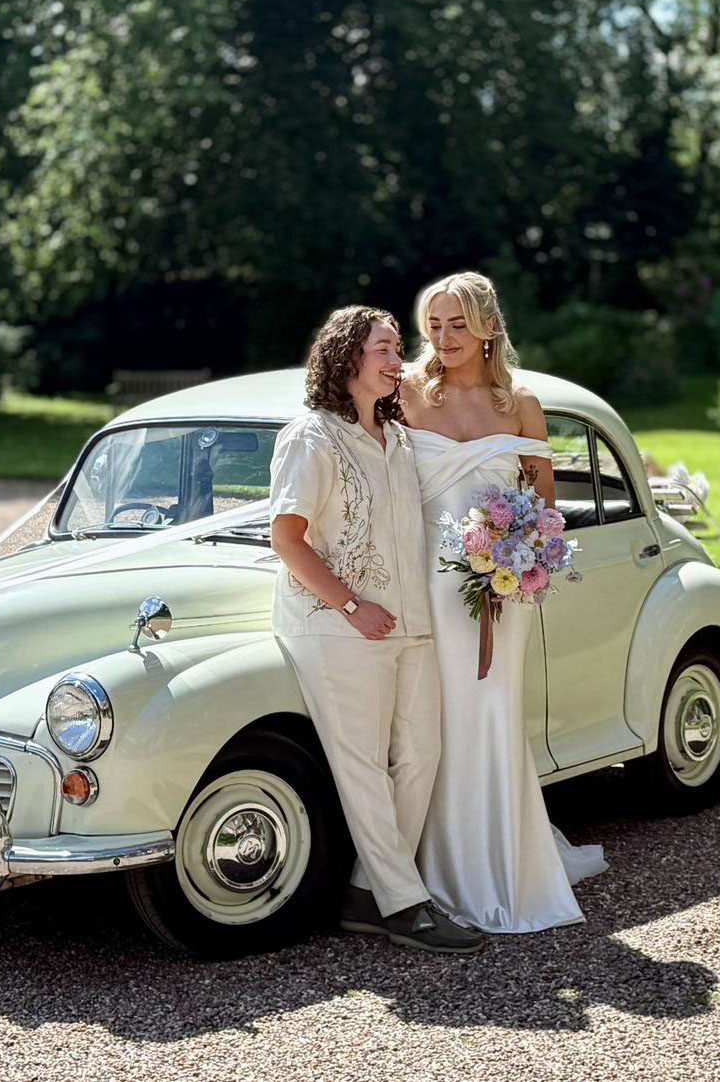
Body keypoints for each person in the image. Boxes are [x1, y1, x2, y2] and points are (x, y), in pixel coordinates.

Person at [270, 305, 483, 954]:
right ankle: (406, 905)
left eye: (397, 349)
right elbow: (286, 536)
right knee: (361, 765)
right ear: (347, 357)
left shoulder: (396, 438)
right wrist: (349, 604)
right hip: (336, 626)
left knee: (421, 755)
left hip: (409, 620)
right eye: (384, 350)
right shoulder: (312, 436)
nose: (398, 361)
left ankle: (367, 892)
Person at [401, 271, 609, 933]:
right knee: (436, 719)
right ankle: (430, 867)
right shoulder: (406, 391)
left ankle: (506, 867)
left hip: (502, 587)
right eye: (434, 324)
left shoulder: (520, 403)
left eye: (457, 323)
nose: (443, 337)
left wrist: (521, 556)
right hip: (427, 585)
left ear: (488, 326)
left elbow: (544, 504)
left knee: (491, 713)